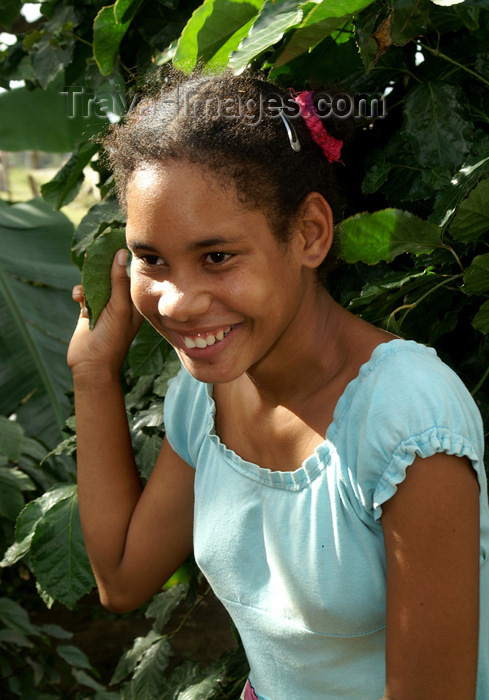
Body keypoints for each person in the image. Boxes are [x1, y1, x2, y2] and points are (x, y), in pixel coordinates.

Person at [68, 71, 489, 700]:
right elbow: (122, 580)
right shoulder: (204, 396)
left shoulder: (405, 419)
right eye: (151, 259)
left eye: (217, 257)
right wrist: (93, 373)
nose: (177, 304)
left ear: (310, 233)